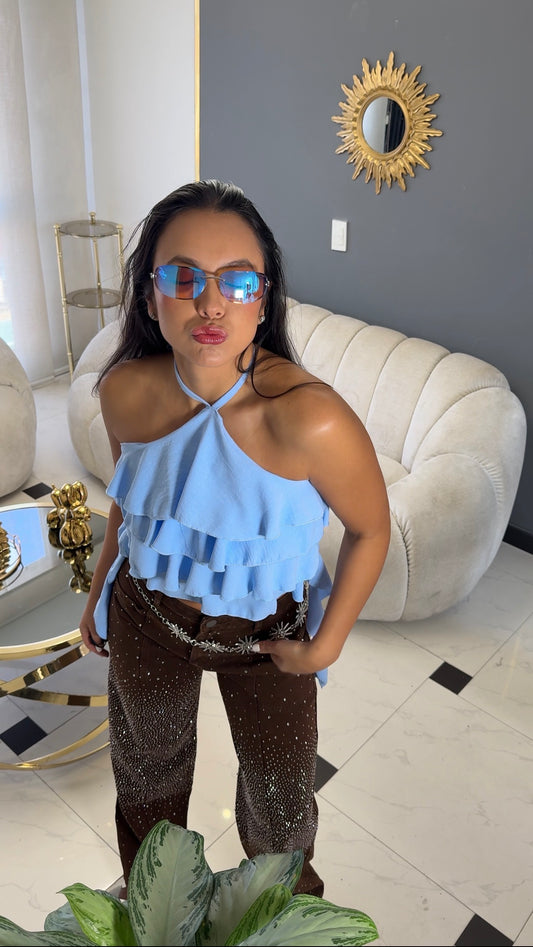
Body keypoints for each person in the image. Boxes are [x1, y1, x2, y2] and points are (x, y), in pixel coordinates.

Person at [79, 179, 390, 898]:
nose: (211, 303)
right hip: (147, 617)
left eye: (236, 281)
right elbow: (132, 503)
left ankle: (280, 917)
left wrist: (326, 645)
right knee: (146, 775)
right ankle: (153, 900)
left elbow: (370, 528)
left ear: (263, 295)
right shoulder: (123, 391)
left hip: (266, 636)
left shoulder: (309, 417)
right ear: (149, 294)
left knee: (280, 803)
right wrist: (98, 593)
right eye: (183, 277)